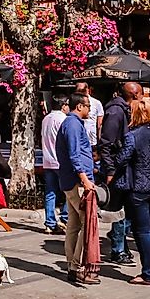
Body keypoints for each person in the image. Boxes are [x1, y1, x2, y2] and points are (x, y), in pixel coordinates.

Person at [114, 99, 150, 286]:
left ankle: (148, 273)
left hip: (138, 187)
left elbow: (122, 158)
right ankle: (148, 271)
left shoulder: (132, 136)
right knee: (146, 229)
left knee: (141, 231)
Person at [56, 92, 98, 285]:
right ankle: (76, 265)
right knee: (86, 222)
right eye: (88, 106)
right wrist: (84, 178)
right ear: (79, 106)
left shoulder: (72, 124)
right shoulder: (72, 124)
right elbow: (74, 154)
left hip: (71, 179)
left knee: (73, 225)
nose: (90, 109)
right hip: (76, 182)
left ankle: (72, 266)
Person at [99, 82, 140, 265]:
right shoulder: (116, 112)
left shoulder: (124, 110)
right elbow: (105, 143)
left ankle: (120, 243)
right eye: (140, 94)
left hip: (125, 167)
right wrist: (110, 169)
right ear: (134, 94)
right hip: (118, 168)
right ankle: (118, 250)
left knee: (127, 211)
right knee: (119, 210)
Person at [41, 94, 70, 233]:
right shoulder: (63, 120)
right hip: (60, 161)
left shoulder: (46, 119)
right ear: (63, 105)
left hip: (47, 160)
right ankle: (65, 218)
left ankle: (50, 222)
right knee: (68, 191)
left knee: (50, 193)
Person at [75, 81, 104, 147]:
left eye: (82, 90)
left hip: (91, 140)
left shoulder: (96, 103)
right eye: (78, 90)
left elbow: (99, 124)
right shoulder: (72, 102)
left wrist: (99, 140)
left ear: (88, 89)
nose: (80, 92)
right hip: (77, 139)